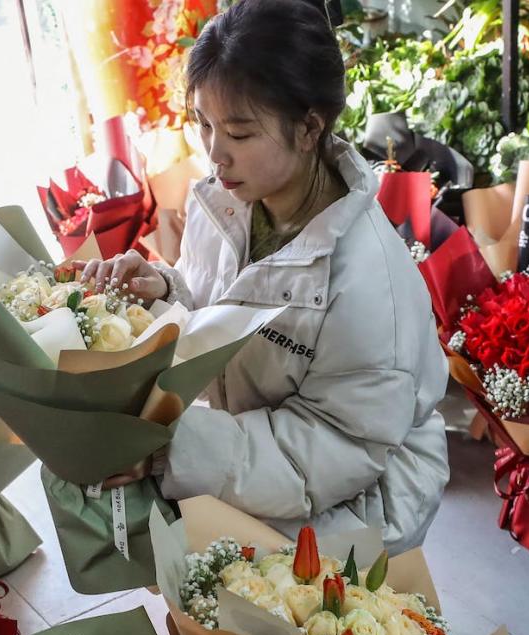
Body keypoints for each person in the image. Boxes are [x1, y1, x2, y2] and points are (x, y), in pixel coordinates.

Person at [78, 0, 449, 552]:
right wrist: (163, 294)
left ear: (308, 128)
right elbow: (222, 312)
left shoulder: (369, 279)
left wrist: (170, 449)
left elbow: (334, 446)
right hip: (257, 461)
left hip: (354, 510)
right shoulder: (229, 203)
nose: (215, 153)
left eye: (241, 133)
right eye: (204, 124)